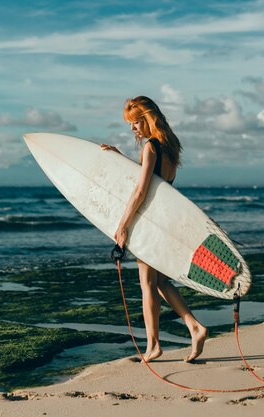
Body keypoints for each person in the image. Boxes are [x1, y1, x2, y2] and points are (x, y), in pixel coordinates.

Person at [100, 96, 208, 363]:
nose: (133, 129)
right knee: (159, 282)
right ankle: (194, 326)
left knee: (147, 284)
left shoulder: (150, 146)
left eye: (136, 123)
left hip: (149, 221)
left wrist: (123, 226)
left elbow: (140, 190)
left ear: (148, 118)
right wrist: (121, 158)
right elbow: (155, 180)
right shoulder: (171, 146)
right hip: (165, 218)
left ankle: (153, 345)